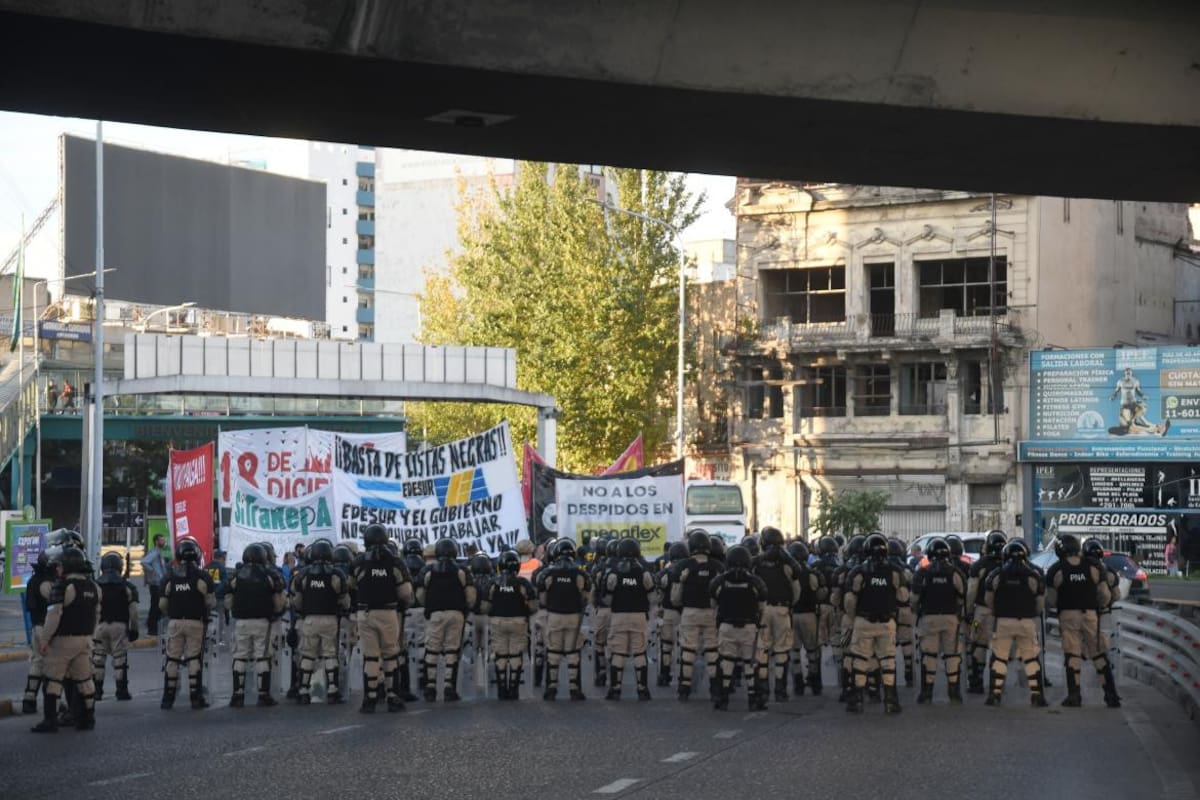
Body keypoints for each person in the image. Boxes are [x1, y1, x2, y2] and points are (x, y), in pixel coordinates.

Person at [32, 546, 99, 733]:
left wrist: (45, 639)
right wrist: (91, 637)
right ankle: (87, 718)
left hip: (62, 640)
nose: (58, 569)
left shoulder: (63, 586)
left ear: (67, 566)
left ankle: (50, 720)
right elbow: (97, 614)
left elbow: (53, 616)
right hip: (85, 640)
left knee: (52, 680)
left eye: (60, 565)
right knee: (85, 680)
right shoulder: (93, 587)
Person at [1046, 534, 1116, 708]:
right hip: (1091, 615)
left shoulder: (1056, 569)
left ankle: (1074, 696)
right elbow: (1105, 595)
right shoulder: (1093, 567)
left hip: (1068, 615)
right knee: (1098, 652)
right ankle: (1111, 694)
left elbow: (1050, 600)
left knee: (1072, 654)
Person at [842, 533, 908, 714]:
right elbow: (904, 596)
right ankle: (891, 701)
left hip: (864, 621)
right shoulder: (895, 571)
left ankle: (857, 700)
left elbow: (849, 600)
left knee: (860, 660)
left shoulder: (859, 571)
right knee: (888, 661)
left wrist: (854, 616)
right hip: (887, 623)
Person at [353, 525, 414, 712]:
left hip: (365, 613)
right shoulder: (395, 562)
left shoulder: (359, 562)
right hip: (388, 613)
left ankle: (369, 698)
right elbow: (405, 592)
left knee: (371, 657)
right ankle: (392, 696)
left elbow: (349, 586)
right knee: (390, 655)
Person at [983, 541, 1048, 707]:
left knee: (1000, 657)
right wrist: (1032, 613)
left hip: (1003, 621)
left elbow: (988, 599)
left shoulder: (997, 574)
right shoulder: (1033, 575)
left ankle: (995, 694)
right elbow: (1040, 602)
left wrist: (996, 610)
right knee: (1031, 657)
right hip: (1026, 621)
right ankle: (1037, 695)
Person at [225, 543, 286, 708]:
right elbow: (279, 599)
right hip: (262, 622)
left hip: (241, 622)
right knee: (262, 656)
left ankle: (237, 695)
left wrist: (235, 611)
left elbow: (227, 597)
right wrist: (277, 612)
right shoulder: (269, 575)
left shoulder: (237, 576)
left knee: (240, 656)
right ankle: (263, 694)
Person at [290, 539, 349, 704]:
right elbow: (343, 598)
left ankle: (303, 690)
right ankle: (332, 690)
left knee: (308, 655)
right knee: (330, 654)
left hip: (309, 619)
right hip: (330, 618)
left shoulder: (303, 574)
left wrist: (302, 611)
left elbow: (296, 599)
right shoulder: (336, 574)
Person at [159, 538, 215, 709]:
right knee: (193, 658)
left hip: (175, 622)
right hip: (195, 623)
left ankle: (168, 698)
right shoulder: (203, 577)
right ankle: (195, 697)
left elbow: (162, 605)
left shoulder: (170, 577)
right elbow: (210, 603)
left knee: (172, 659)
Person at [710, 545, 768, 711]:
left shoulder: (719, 581)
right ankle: (753, 698)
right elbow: (762, 606)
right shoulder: (755, 582)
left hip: (726, 626)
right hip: (749, 627)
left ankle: (723, 698)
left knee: (726, 662)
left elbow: (713, 604)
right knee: (750, 663)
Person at [416, 538, 475, 703]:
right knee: (452, 649)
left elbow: (420, 594)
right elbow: (470, 595)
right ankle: (449, 686)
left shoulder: (428, 571)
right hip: (456, 613)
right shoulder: (462, 571)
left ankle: (430, 687)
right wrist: (466, 608)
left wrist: (428, 605)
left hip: (435, 614)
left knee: (432, 649)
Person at [911, 538, 967, 704]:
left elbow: (914, 598)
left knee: (929, 655)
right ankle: (954, 693)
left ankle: (927, 693)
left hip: (929, 618)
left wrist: (917, 611)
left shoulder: (922, 572)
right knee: (952, 655)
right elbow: (962, 596)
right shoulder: (955, 572)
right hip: (951, 618)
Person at [750, 526, 801, 702]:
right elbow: (796, 589)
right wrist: (788, 605)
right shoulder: (786, 563)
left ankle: (763, 688)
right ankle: (780, 689)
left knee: (762, 648)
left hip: (762, 610)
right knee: (782, 650)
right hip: (782, 609)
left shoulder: (756, 563)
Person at [537, 538, 591, 701]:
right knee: (573, 652)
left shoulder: (548, 573)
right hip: (574, 617)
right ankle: (574, 689)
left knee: (553, 652)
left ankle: (551, 688)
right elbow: (586, 597)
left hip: (554, 616)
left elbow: (542, 597)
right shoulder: (580, 573)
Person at [670, 529, 721, 701]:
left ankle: (684, 687)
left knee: (688, 649)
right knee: (712, 649)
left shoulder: (682, 565)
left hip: (690, 612)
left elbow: (675, 598)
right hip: (711, 612)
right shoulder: (717, 567)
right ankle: (715, 687)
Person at [603, 538, 656, 701]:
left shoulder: (613, 572)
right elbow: (652, 596)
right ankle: (642, 689)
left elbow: (607, 599)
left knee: (618, 652)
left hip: (619, 615)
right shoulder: (644, 571)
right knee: (639, 652)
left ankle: (615, 689)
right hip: (639, 616)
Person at [483, 549, 537, 699]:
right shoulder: (522, 583)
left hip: (497, 621)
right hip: (518, 621)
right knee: (515, 654)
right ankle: (513, 689)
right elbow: (533, 605)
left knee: (500, 654)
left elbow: (485, 606)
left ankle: (501, 689)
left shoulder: (493, 582)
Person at [92, 552, 139, 702]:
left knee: (98, 659)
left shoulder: (95, 585)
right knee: (119, 660)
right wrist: (134, 629)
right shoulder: (127, 586)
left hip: (99, 625)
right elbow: (134, 612)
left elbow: (91, 609)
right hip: (119, 626)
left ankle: (97, 691)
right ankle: (121, 690)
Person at [966, 530, 1007, 694]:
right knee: (999, 649)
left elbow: (971, 591)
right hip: (1004, 614)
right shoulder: (1008, 564)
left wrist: (969, 611)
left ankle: (977, 681)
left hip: (982, 613)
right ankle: (997, 683)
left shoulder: (980, 565)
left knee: (978, 645)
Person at [787, 540, 827, 696]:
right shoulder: (811, 573)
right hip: (809, 614)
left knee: (794, 651)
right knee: (812, 650)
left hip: (792, 614)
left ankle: (798, 684)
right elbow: (820, 594)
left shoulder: (789, 572)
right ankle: (815, 682)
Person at [22, 551, 55, 715]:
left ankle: (29, 699)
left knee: (37, 662)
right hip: (47, 628)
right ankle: (55, 703)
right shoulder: (48, 584)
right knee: (54, 665)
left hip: (36, 626)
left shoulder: (33, 581)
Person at [656, 542, 688, 687]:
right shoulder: (689, 570)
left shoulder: (665, 572)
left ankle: (665, 674)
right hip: (686, 612)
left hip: (669, 612)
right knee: (686, 646)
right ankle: (684, 675)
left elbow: (659, 593)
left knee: (666, 645)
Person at [140, 533, 170, 636]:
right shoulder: (155, 553)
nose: (164, 542)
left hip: (158, 583)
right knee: (156, 606)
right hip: (156, 584)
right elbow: (144, 562)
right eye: (161, 540)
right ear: (156, 541)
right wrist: (152, 571)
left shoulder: (158, 552)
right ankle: (152, 629)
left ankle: (153, 627)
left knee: (157, 606)